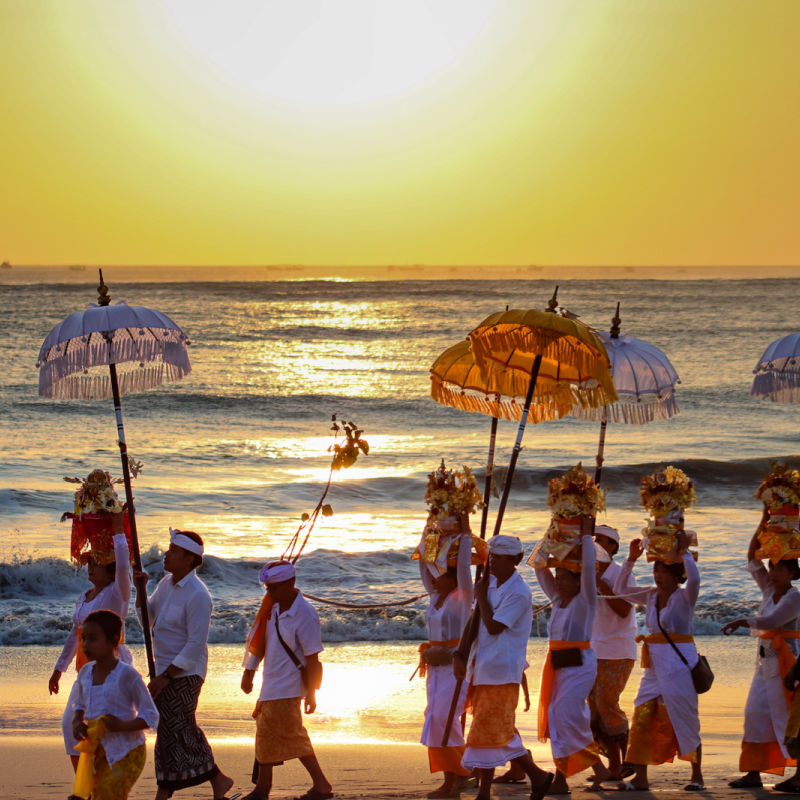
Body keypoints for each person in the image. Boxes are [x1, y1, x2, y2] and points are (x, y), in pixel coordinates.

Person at [135, 529, 235, 800]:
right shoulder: (166, 584)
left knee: (177, 727)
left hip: (186, 672)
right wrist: (140, 592)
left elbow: (194, 645)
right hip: (163, 669)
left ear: (190, 559)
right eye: (169, 549)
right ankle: (210, 781)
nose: (167, 554)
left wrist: (166, 677)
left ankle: (180, 789)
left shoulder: (198, 595)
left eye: (173, 551)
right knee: (170, 730)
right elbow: (147, 620)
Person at [454, 534, 553, 800]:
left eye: (498, 558)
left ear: (515, 560)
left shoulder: (519, 592)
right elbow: (474, 621)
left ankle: (535, 776)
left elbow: (495, 626)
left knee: (490, 730)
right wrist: (460, 653)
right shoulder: (491, 584)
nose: (492, 562)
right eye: (492, 557)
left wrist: (481, 596)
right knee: (491, 730)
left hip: (502, 669)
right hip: (483, 665)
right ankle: (499, 787)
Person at [613, 534, 704, 791]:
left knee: (684, 717)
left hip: (680, 663)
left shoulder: (686, 596)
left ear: (677, 575)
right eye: (655, 569)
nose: (658, 575)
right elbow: (621, 591)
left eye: (663, 571)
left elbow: (696, 578)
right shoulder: (651, 596)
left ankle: (697, 775)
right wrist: (630, 559)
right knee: (641, 714)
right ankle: (640, 777)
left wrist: (685, 552)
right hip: (654, 664)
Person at [240, 560, 332, 800]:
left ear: (290, 584)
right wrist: (249, 671)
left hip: (289, 686)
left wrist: (312, 693)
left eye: (274, 588)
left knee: (286, 735)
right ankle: (266, 786)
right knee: (274, 734)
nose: (269, 593)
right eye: (267, 589)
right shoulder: (273, 608)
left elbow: (312, 658)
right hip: (271, 683)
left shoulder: (305, 614)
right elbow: (261, 643)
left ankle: (315, 785)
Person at [50, 510, 133, 770]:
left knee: (101, 725)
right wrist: (59, 669)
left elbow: (123, 566)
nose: (90, 568)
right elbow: (74, 636)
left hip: (112, 667)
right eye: (90, 563)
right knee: (69, 724)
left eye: (96, 564)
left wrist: (118, 530)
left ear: (109, 571)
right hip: (86, 668)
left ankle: (105, 784)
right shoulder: (84, 596)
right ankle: (86, 784)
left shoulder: (116, 594)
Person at [535, 520, 611, 794]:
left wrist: (587, 539)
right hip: (558, 665)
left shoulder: (585, 600)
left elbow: (589, 571)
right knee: (557, 716)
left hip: (580, 664)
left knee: (566, 714)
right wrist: (553, 532)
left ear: (578, 580)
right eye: (559, 578)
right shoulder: (557, 599)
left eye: (565, 577)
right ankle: (562, 778)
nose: (559, 581)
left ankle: (595, 768)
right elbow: (540, 568)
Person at [722, 528, 800, 788]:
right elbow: (752, 560)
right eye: (773, 567)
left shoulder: (794, 597)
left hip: (787, 664)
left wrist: (745, 621)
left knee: (785, 719)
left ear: (793, 573)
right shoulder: (769, 591)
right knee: (754, 714)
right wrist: (764, 519)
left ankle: (799, 776)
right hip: (764, 663)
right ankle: (754, 771)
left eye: (780, 569)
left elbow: (771, 621)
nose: (774, 573)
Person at [67, 609, 159, 800]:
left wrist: (122, 726)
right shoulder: (85, 672)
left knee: (111, 793)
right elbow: (79, 703)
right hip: (97, 751)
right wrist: (77, 722)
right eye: (83, 638)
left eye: (93, 638)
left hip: (128, 751)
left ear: (113, 639)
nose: (85, 644)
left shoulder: (127, 675)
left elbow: (151, 715)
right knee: (99, 794)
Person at [417, 522, 474, 798]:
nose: (432, 577)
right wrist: (429, 531)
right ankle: (460, 773)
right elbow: (424, 563)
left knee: (445, 716)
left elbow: (463, 567)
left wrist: (464, 531)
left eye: (439, 573)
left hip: (456, 666)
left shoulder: (462, 597)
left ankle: (456, 777)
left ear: (452, 577)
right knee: (434, 718)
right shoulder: (436, 595)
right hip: (435, 667)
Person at [587, 525, 637, 781]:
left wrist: (598, 582)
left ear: (613, 547)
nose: (595, 542)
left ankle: (626, 762)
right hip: (593, 648)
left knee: (607, 703)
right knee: (594, 707)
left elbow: (624, 610)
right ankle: (613, 766)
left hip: (618, 648)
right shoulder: (587, 571)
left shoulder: (621, 574)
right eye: (592, 538)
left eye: (601, 539)